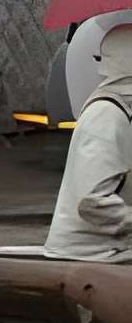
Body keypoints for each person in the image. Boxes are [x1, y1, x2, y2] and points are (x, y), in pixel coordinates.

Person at [46, 21, 132, 261]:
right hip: (88, 254)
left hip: (110, 250)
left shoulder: (121, 111)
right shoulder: (106, 116)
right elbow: (92, 202)